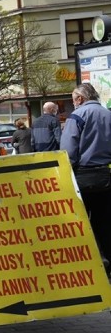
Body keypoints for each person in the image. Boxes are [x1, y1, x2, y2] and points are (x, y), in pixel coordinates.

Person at [60, 83, 111, 262]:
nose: (73, 103)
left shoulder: (77, 115)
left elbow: (68, 150)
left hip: (82, 176)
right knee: (103, 221)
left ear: (80, 99)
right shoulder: (108, 114)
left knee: (81, 222)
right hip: (105, 176)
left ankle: (93, 261)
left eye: (73, 100)